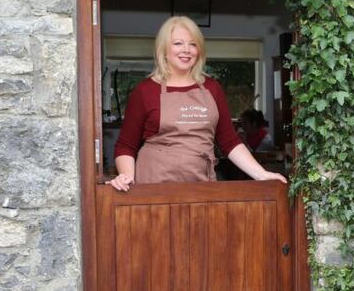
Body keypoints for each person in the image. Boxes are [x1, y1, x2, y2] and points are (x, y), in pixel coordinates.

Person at [107, 16, 286, 191]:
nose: (186, 50)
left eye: (193, 44)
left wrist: (262, 174)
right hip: (154, 186)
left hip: (201, 185)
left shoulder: (212, 88)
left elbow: (230, 142)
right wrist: (127, 177)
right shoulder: (145, 91)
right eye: (178, 43)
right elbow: (126, 145)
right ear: (163, 49)